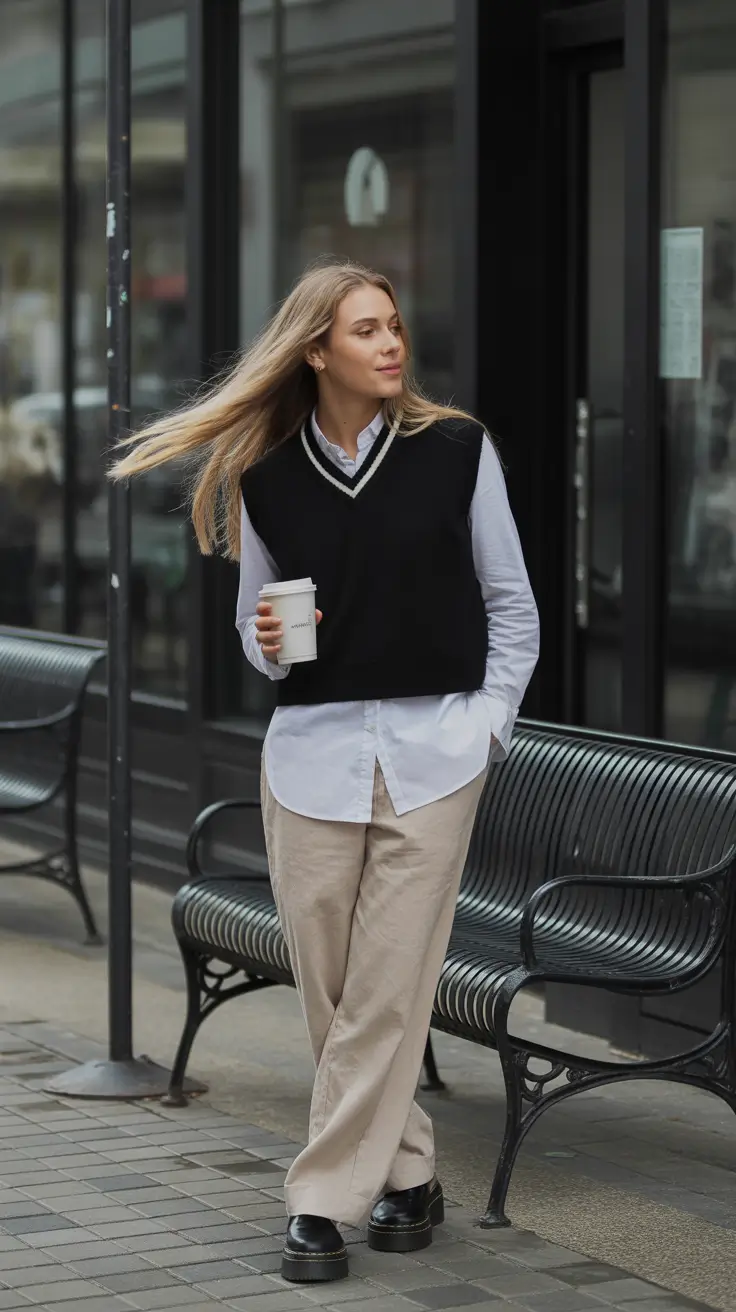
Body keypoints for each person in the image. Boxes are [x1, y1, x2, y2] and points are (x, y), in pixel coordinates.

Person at [110, 260, 539, 1285]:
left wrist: (486, 727)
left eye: (394, 324)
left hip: (435, 757)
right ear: (316, 350)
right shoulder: (265, 473)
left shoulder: (457, 452)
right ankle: (407, 1172)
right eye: (365, 329)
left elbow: (512, 605)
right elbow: (262, 636)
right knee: (333, 985)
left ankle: (319, 1198)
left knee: (388, 984)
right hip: (310, 758)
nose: (391, 343)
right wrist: (264, 638)